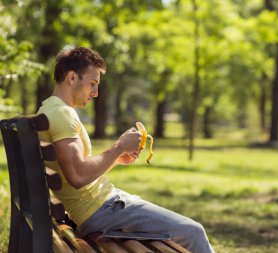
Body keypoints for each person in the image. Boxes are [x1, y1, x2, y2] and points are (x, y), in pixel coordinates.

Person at [38, 47, 215, 253]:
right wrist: (118, 146)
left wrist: (116, 158)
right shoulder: (62, 114)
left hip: (104, 205)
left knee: (191, 230)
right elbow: (77, 176)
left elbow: (77, 170)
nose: (95, 93)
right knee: (194, 232)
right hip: (103, 211)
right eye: (92, 84)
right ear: (72, 77)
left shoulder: (49, 109)